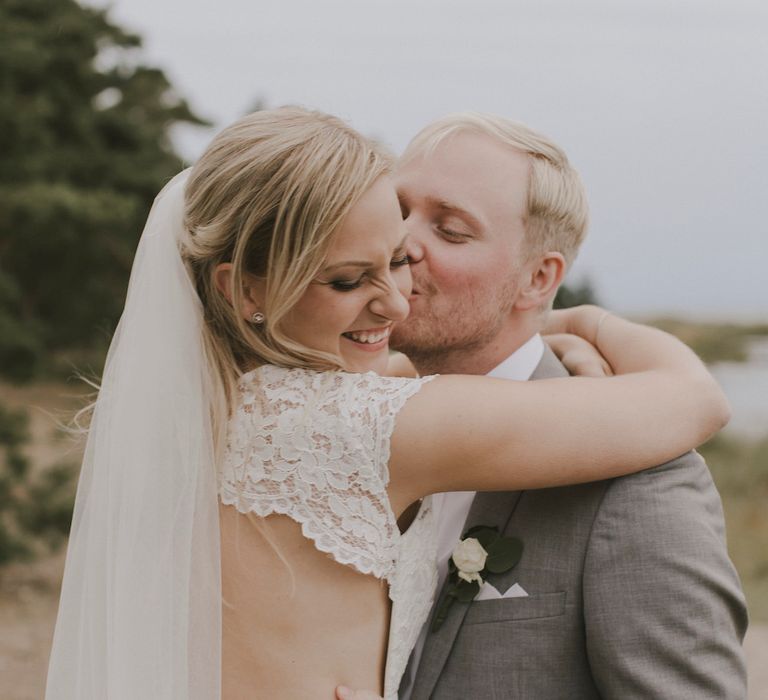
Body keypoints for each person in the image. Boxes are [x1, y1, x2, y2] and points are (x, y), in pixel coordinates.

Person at [44, 107, 730, 700]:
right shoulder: (364, 420)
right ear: (246, 290)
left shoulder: (189, 417)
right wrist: (587, 323)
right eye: (397, 224)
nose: (403, 277)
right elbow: (696, 397)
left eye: (448, 232)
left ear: (540, 277)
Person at [390, 113, 748, 699]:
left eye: (450, 230)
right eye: (397, 211)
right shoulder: (339, 417)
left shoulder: (635, 481)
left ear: (537, 278)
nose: (402, 244)